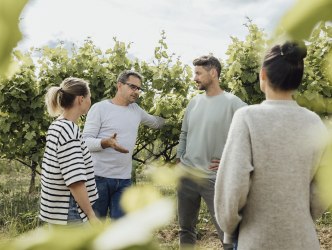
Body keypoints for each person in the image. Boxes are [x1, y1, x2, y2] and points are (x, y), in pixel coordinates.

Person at [214, 41, 329, 249]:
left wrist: (229, 229)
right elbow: (323, 187)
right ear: (297, 80)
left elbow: (233, 187)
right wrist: (300, 217)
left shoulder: (247, 117)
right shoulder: (314, 122)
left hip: (257, 239)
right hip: (304, 239)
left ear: (263, 75)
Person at [176, 55, 246, 249]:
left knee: (227, 232)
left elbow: (252, 134)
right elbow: (184, 133)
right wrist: (178, 159)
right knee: (185, 229)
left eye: (198, 73)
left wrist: (229, 160)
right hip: (187, 174)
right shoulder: (193, 103)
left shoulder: (234, 103)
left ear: (213, 73)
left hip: (214, 178)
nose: (195, 78)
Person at [83, 70, 165, 219]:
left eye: (139, 88)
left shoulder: (136, 110)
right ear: (119, 85)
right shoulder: (100, 108)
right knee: (94, 226)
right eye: (132, 87)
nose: (136, 91)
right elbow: (85, 142)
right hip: (97, 178)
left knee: (121, 228)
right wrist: (106, 143)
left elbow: (156, 123)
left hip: (123, 180)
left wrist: (179, 119)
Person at [39, 77, 99, 225]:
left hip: (55, 211)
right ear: (81, 99)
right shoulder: (69, 130)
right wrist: (91, 215)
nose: (90, 101)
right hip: (69, 211)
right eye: (89, 97)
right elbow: (75, 181)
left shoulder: (57, 125)